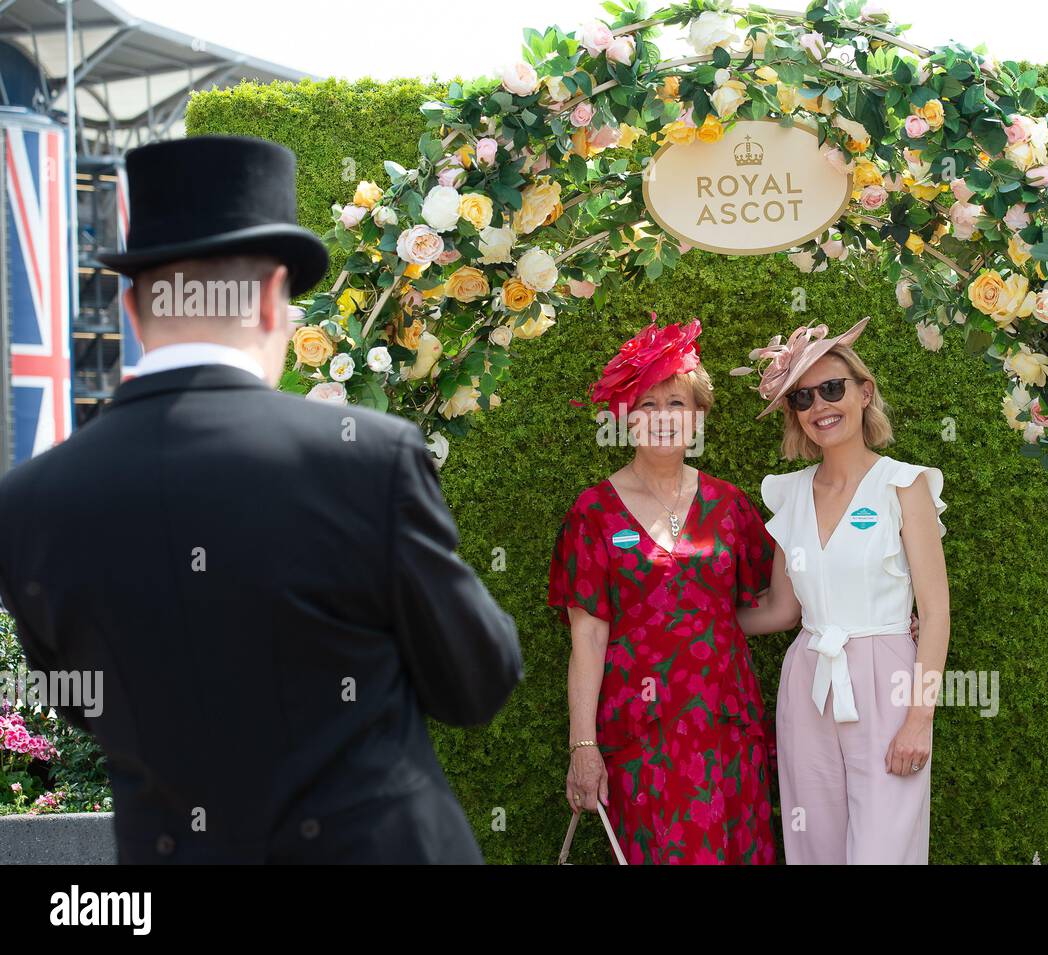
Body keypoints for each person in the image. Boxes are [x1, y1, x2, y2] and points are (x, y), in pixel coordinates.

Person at [0, 135, 523, 863]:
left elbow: (81, 703)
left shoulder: (27, 502)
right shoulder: (367, 458)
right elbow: (477, 681)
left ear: (131, 305)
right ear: (275, 298)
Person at [547, 317, 777, 864]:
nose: (662, 419)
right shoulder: (593, 512)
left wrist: (878, 620)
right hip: (640, 728)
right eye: (646, 406)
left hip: (726, 721)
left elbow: (772, 607)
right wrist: (584, 746)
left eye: (676, 404)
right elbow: (589, 637)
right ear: (625, 418)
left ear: (697, 416)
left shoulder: (730, 504)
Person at [734, 317, 950, 864]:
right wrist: (690, 617)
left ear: (864, 392)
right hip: (808, 680)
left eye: (833, 388)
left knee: (883, 851)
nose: (820, 407)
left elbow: (937, 614)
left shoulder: (904, 485)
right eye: (803, 398)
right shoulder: (789, 496)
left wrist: (919, 720)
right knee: (815, 847)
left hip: (888, 678)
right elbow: (783, 610)